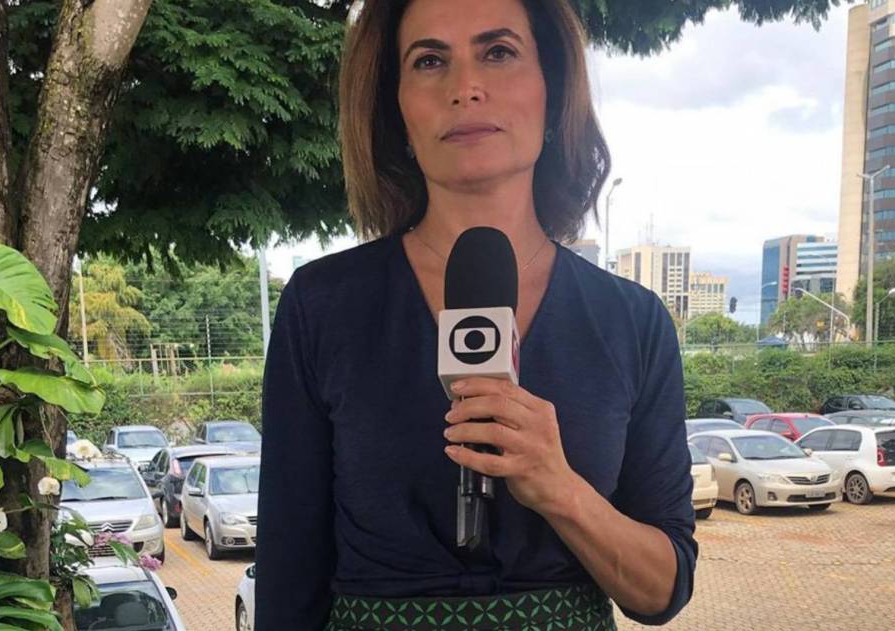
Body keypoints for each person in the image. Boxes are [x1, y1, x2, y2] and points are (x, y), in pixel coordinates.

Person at [255, 0, 697, 628]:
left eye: (498, 52)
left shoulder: (633, 322)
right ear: (396, 108)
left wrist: (559, 486)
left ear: (553, 90)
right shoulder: (322, 305)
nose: (465, 87)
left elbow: (662, 590)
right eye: (429, 61)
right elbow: (287, 578)